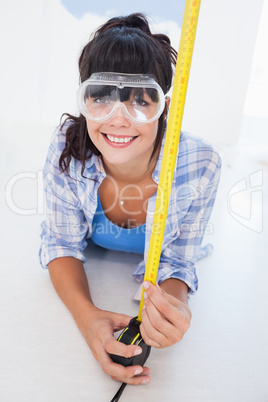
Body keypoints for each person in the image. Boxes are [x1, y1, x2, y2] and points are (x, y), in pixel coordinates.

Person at [39, 13, 221, 386]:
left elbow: (177, 263)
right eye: (101, 98)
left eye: (141, 101)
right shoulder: (66, 147)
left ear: (165, 107)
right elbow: (60, 242)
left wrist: (174, 308)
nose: (118, 120)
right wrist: (88, 318)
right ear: (85, 100)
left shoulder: (200, 165)